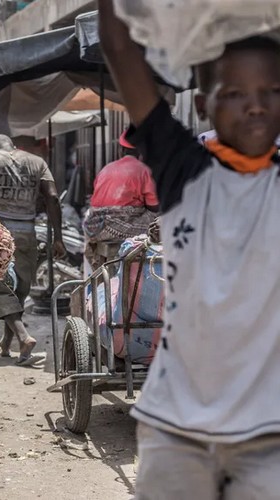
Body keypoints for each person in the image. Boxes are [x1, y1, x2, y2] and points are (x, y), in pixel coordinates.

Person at [100, 1, 280, 498]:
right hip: (177, 425)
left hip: (269, 431)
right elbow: (119, 47)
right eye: (236, 92)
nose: (256, 105)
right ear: (203, 105)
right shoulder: (187, 171)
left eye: (271, 91)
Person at [0, 135, 65, 365]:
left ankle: (23, 337)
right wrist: (58, 238)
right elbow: (52, 197)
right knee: (19, 290)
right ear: (13, 145)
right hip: (27, 233)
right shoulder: (37, 162)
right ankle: (5, 344)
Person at [82, 132, 159, 271]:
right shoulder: (144, 170)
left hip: (94, 228)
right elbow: (154, 208)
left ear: (121, 150)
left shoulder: (106, 169)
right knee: (158, 222)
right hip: (117, 228)